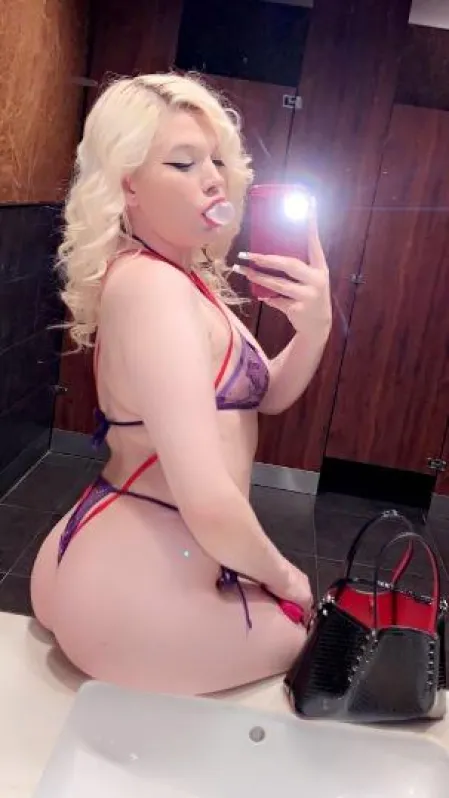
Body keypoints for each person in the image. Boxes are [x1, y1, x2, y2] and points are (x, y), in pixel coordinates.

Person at [31, 73, 332, 695]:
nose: (213, 179)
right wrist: (286, 579)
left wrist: (316, 325)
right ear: (128, 184)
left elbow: (268, 395)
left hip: (118, 568)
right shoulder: (156, 289)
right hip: (135, 598)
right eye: (183, 163)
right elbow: (208, 500)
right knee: (312, 641)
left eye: (216, 160)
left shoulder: (175, 277)